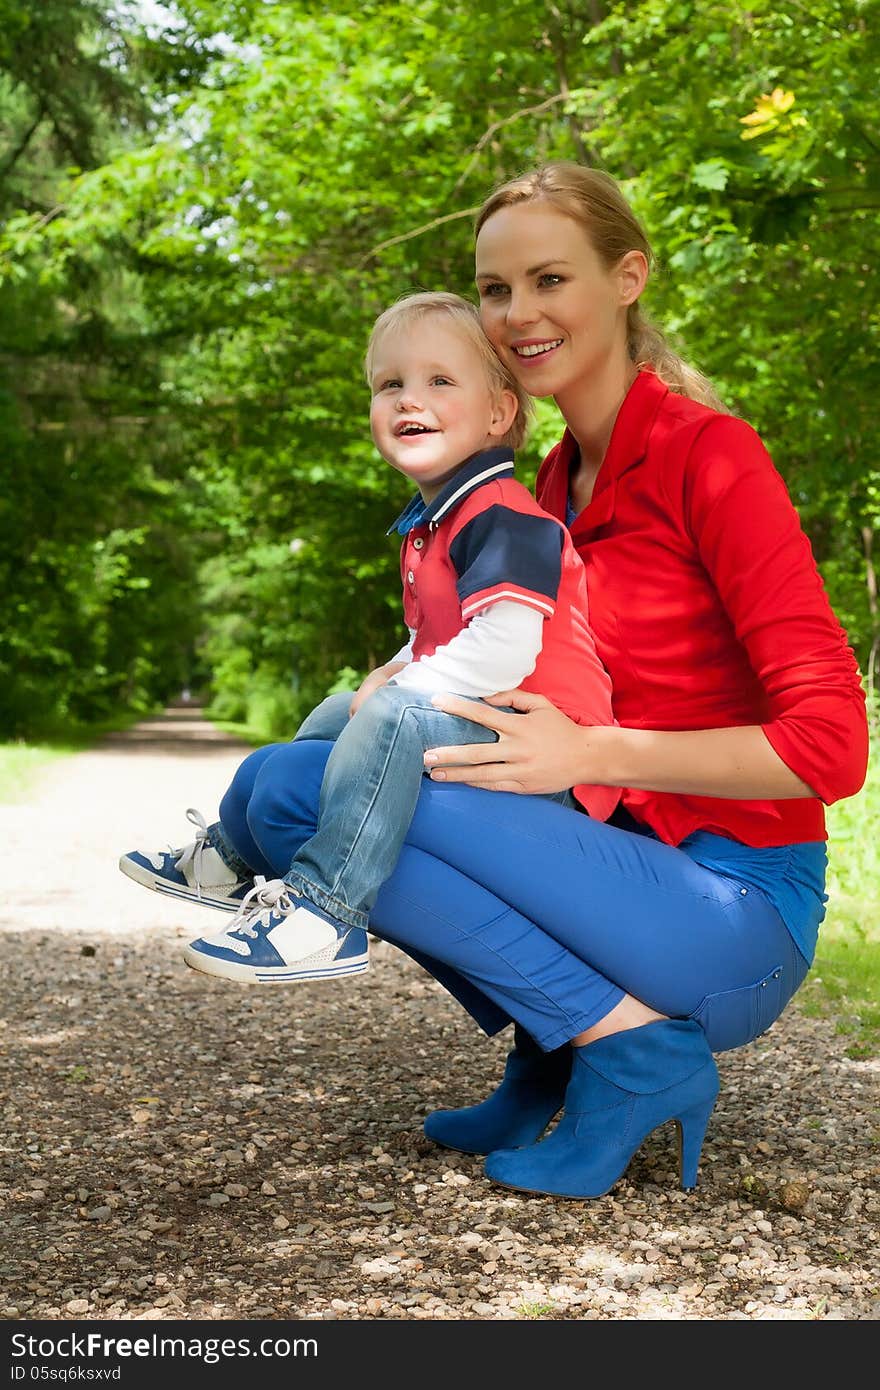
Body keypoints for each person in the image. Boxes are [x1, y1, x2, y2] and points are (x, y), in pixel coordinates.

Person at [123, 163, 869, 1201]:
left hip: (735, 904)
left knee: (300, 793)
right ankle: (560, 1046)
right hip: (610, 865)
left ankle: (634, 1054)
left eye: (549, 279)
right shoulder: (547, 484)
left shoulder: (712, 459)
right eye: (494, 289)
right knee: (296, 779)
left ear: (627, 277)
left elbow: (830, 747)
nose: (518, 313)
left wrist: (590, 752)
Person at [121, 290, 619, 985]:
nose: (410, 400)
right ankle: (233, 857)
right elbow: (434, 641)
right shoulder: (435, 520)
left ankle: (329, 910)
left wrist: (400, 690)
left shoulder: (504, 515)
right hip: (485, 716)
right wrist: (388, 675)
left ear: (500, 412)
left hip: (546, 752)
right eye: (392, 384)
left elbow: (506, 649)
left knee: (388, 711)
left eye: (441, 381)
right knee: (339, 709)